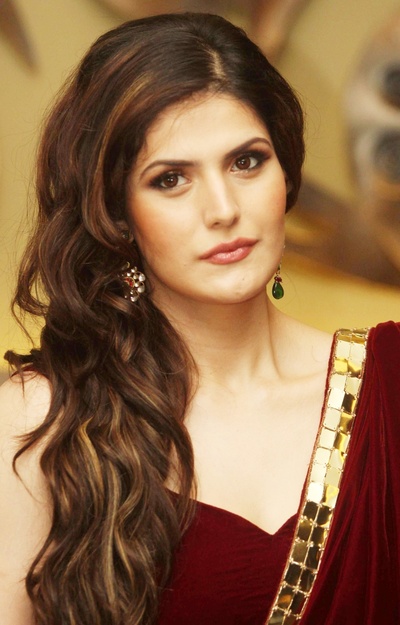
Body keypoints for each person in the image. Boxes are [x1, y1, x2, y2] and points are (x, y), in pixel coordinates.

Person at [0, 12, 399, 625]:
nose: (223, 209)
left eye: (246, 162)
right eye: (170, 179)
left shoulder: (389, 384)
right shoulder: (39, 422)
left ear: (286, 172)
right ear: (115, 213)